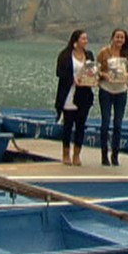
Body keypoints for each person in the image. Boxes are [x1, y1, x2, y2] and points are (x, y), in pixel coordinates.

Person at [54, 28, 97, 165]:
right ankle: (66, 153)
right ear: (75, 41)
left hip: (83, 94)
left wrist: (93, 79)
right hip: (68, 94)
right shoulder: (65, 55)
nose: (86, 41)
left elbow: (92, 71)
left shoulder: (89, 55)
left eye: (86, 39)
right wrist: (73, 79)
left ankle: (77, 154)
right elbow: (59, 73)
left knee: (80, 125)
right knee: (68, 124)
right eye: (83, 39)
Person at [95, 28, 128, 166]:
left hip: (121, 91)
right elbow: (95, 69)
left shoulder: (126, 53)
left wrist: (127, 76)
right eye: (117, 37)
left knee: (118, 124)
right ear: (112, 38)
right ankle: (104, 154)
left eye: (122, 38)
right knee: (105, 123)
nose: (119, 40)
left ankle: (115, 155)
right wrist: (104, 75)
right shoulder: (103, 52)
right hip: (106, 90)